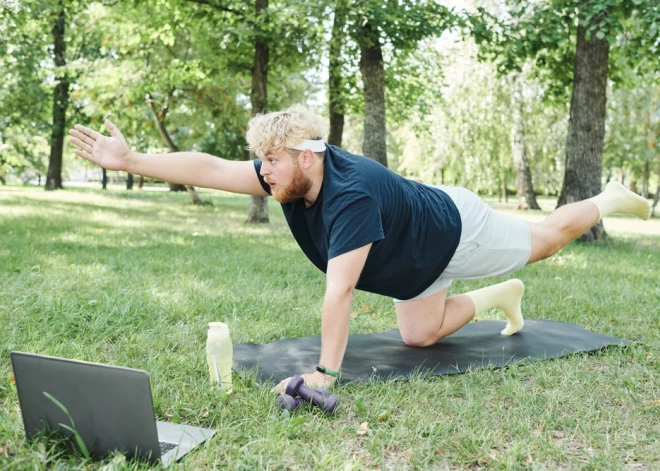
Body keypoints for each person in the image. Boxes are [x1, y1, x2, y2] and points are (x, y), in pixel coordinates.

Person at [69, 104, 652, 394]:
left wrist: (323, 373)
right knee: (420, 336)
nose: (261, 172)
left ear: (308, 156)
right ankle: (500, 296)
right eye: (263, 161)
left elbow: (340, 291)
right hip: (412, 260)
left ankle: (610, 198)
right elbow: (214, 167)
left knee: (547, 240)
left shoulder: (348, 197)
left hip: (454, 229)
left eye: (271, 160)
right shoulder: (290, 175)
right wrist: (133, 161)